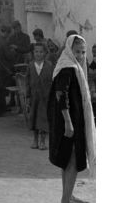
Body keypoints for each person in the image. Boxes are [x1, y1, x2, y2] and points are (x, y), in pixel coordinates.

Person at [47, 34, 96, 203]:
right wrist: (68, 122)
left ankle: (68, 195)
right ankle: (65, 200)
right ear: (69, 51)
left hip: (71, 120)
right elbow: (62, 95)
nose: (81, 56)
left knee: (66, 160)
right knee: (72, 161)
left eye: (83, 52)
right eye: (77, 52)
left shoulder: (73, 66)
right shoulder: (68, 68)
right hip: (68, 122)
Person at [25, 43, 53, 150]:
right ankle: (35, 140)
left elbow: (52, 81)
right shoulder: (31, 65)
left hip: (45, 97)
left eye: (41, 52)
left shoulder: (49, 65)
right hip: (34, 97)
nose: (38, 54)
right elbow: (27, 81)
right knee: (34, 118)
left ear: (45, 53)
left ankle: (42, 141)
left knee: (43, 119)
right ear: (33, 53)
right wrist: (28, 96)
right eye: (36, 52)